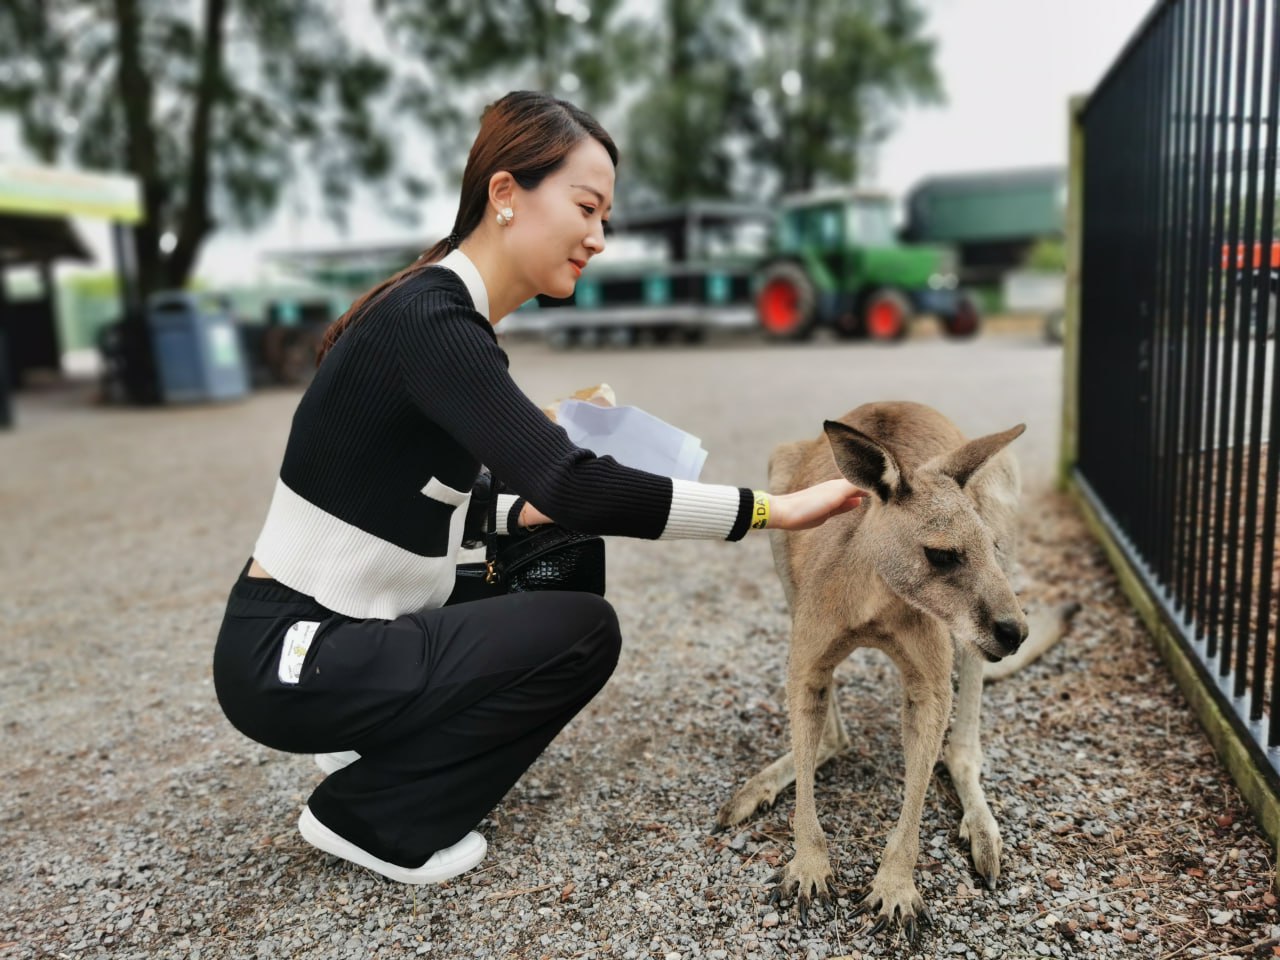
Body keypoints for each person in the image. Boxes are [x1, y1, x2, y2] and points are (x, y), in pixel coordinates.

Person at [212, 90, 867, 886]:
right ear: (505, 194)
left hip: (328, 635)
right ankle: (376, 819)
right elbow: (569, 477)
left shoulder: (436, 313)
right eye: (586, 207)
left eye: (606, 218)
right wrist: (772, 511)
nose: (598, 237)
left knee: (560, 547)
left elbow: (437, 503)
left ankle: (374, 729)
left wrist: (528, 506)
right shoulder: (433, 321)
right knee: (584, 631)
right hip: (292, 655)